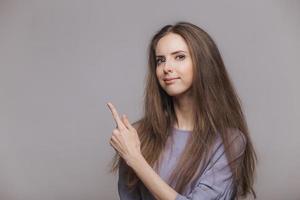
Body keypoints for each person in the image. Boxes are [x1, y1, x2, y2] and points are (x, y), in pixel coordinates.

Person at [107, 21, 257, 200]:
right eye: (160, 60)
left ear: (203, 63)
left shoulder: (229, 141)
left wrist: (135, 159)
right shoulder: (137, 135)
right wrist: (129, 154)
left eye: (179, 57)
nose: (167, 68)